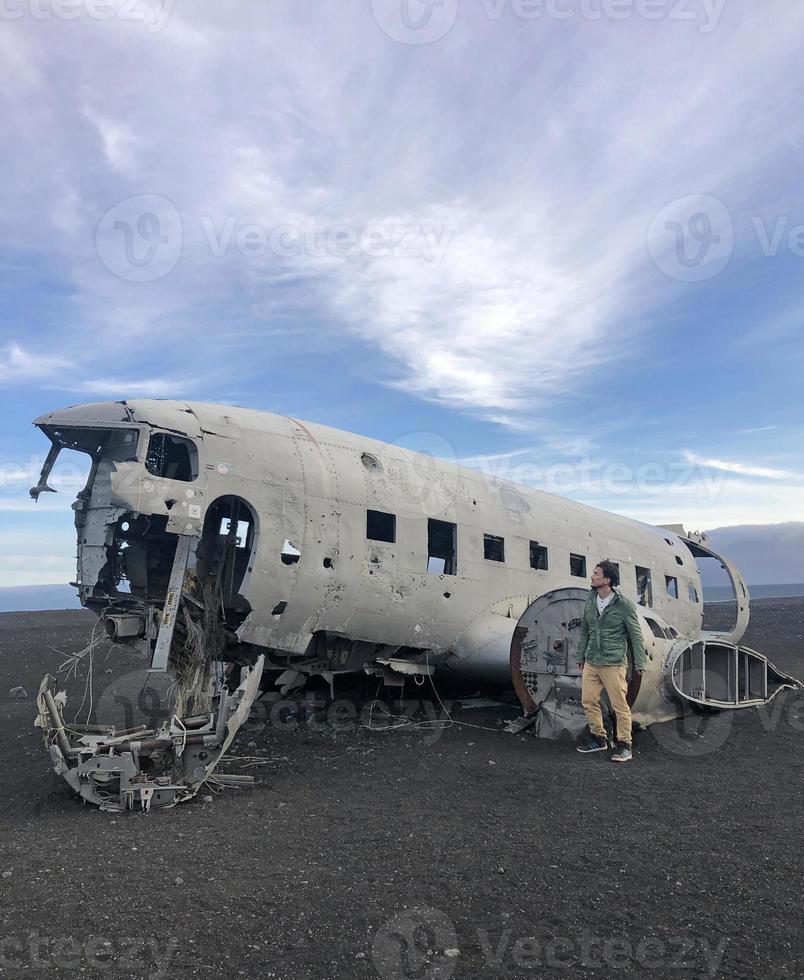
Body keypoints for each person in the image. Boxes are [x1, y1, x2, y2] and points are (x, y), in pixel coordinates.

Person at [575, 560, 647, 762]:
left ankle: (625, 745)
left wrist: (640, 663)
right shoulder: (590, 600)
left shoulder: (623, 605)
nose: (592, 576)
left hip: (613, 663)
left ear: (607, 579)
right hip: (592, 661)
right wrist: (581, 656)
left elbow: (636, 636)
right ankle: (599, 738)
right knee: (588, 701)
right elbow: (585, 632)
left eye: (597, 574)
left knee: (619, 705)